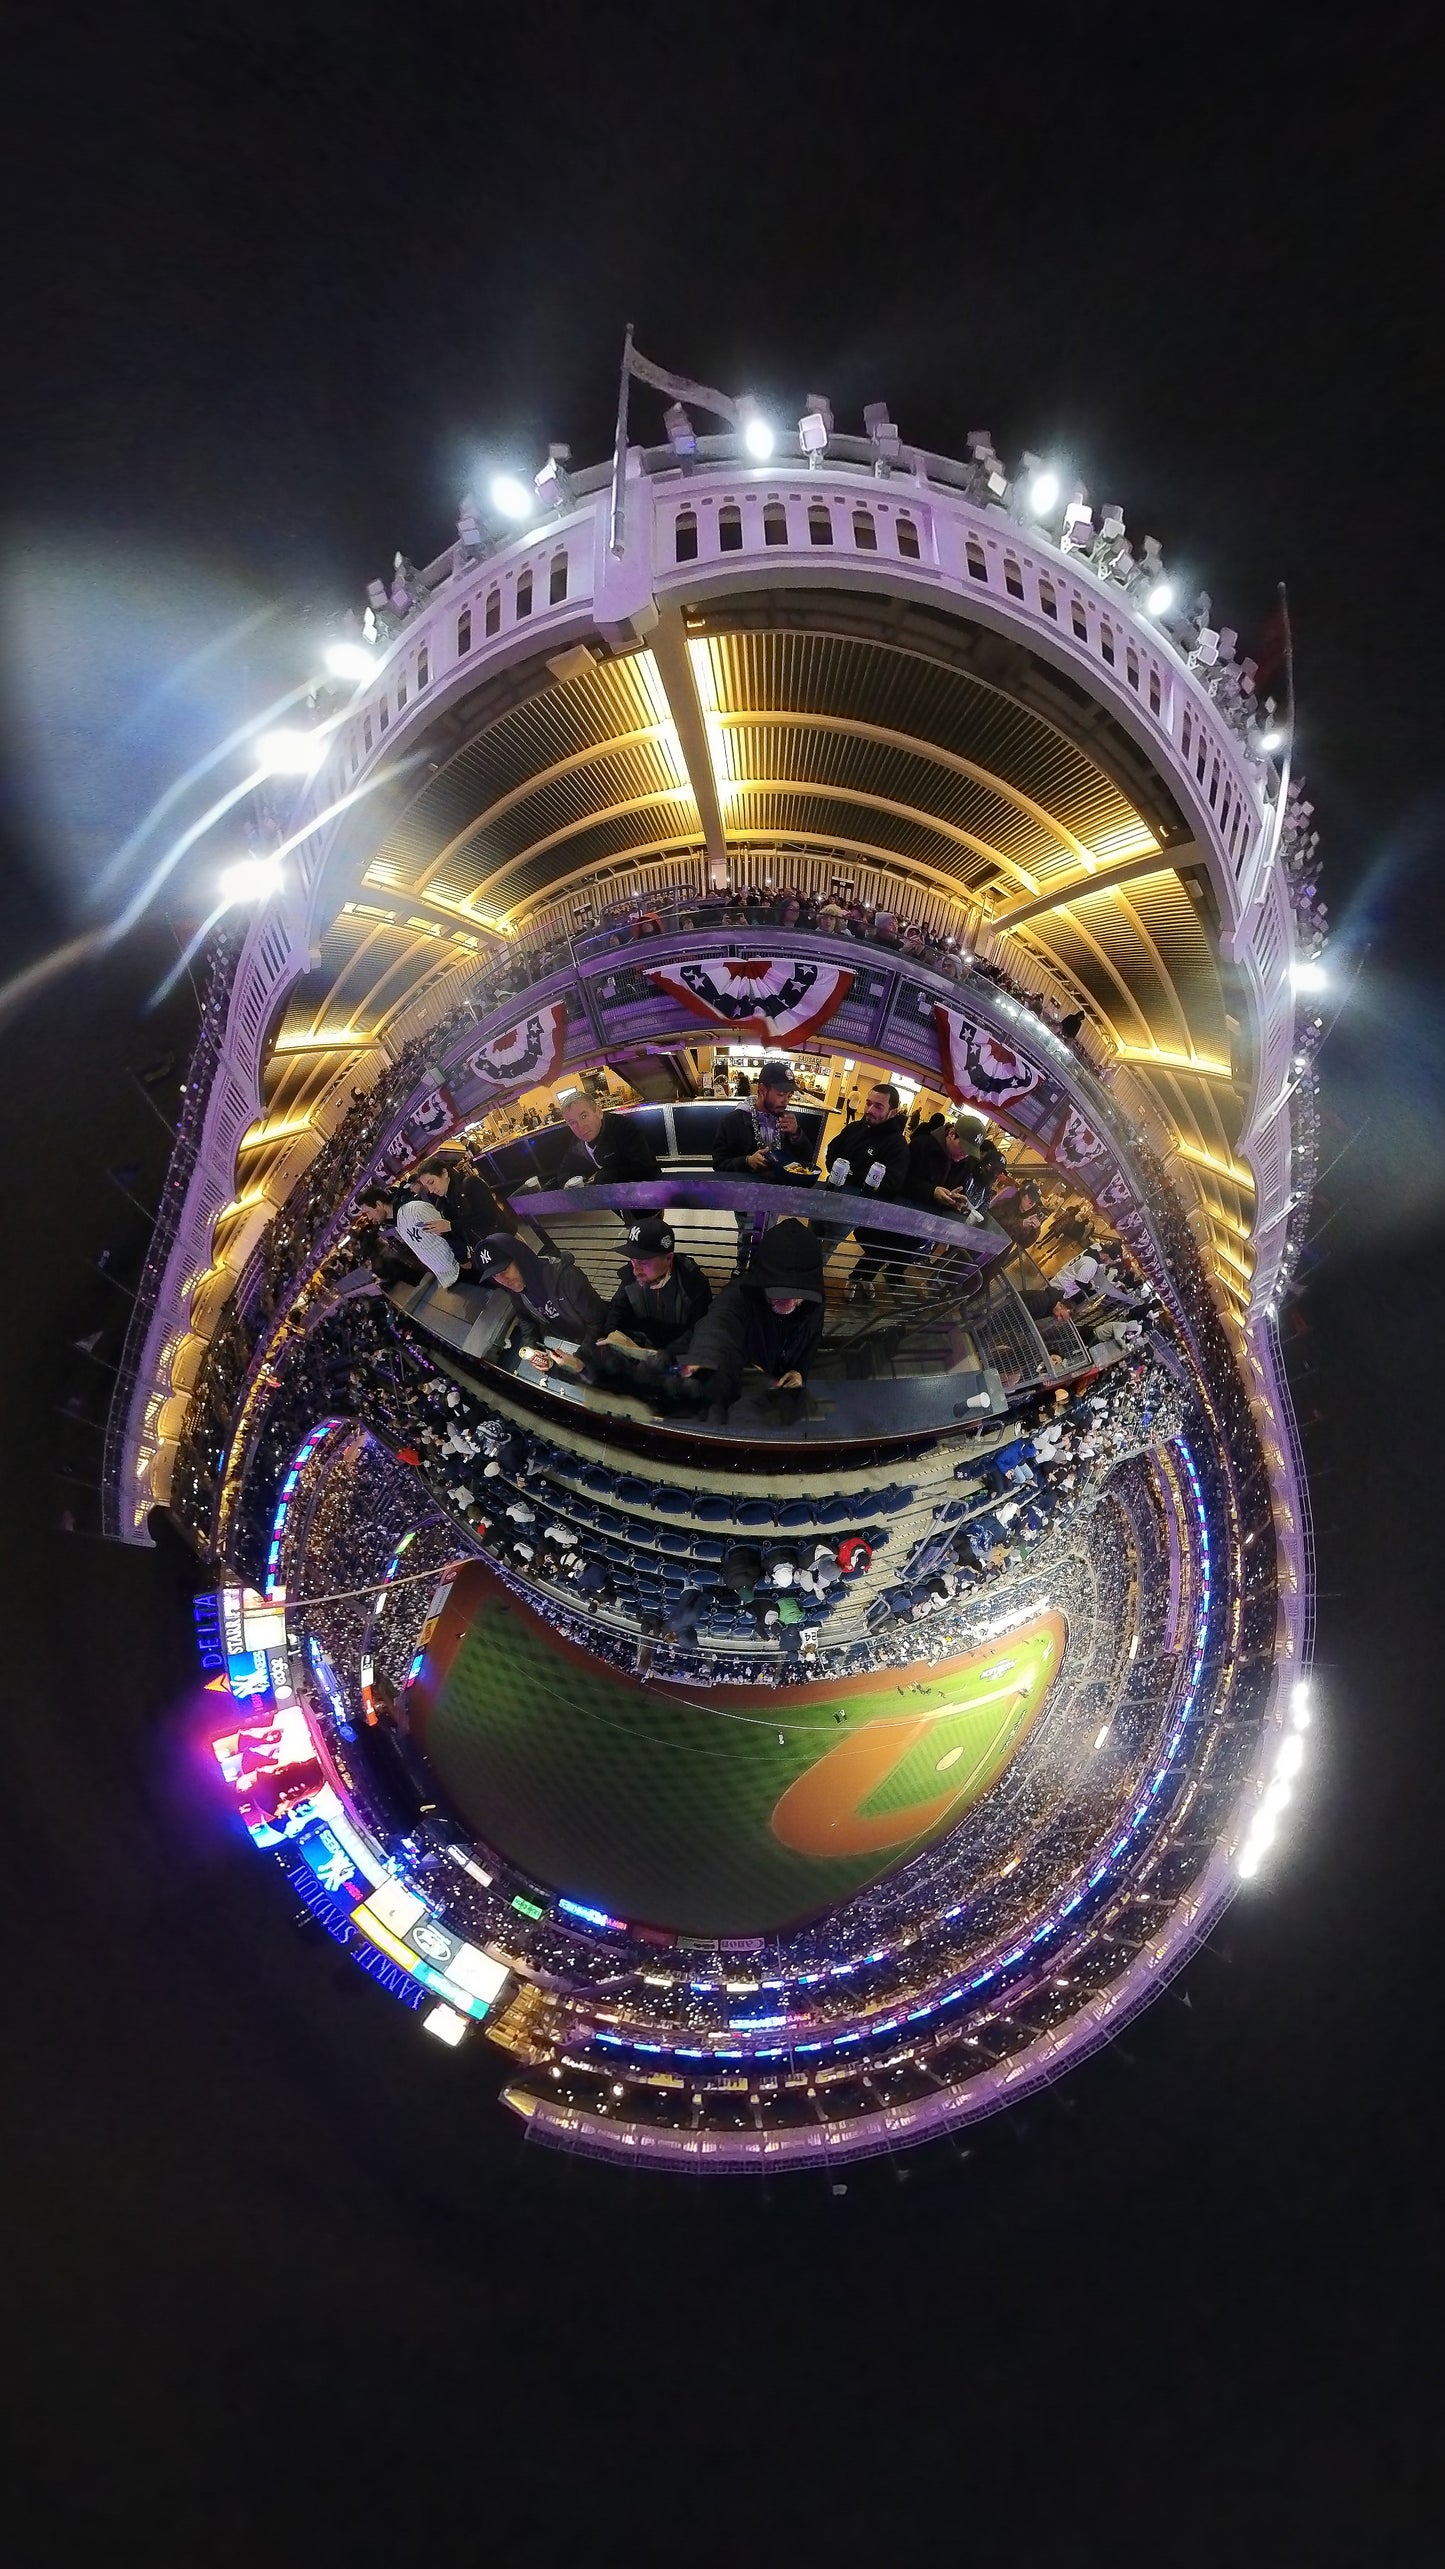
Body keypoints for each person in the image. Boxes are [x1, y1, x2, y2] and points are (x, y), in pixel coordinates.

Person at [674, 1216, 825, 1423]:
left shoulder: (813, 1302)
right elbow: (716, 1330)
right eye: (779, 1291)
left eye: (797, 1292)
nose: (788, 1302)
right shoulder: (739, 1297)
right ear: (763, 1280)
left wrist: (799, 1371)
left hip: (780, 1396)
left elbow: (814, 1337)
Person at [589, 1215, 713, 1391]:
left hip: (676, 1350)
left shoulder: (693, 1284)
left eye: (643, 1262)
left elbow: (700, 1328)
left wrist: (668, 1354)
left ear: (668, 1259)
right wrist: (611, 1334)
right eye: (632, 1259)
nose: (635, 1269)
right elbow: (618, 1306)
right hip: (643, 1345)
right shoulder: (631, 1277)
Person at [712, 1058, 810, 1267]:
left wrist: (797, 1134)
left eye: (789, 1095)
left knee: (768, 1234)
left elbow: (805, 1160)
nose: (786, 1100)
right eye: (781, 1094)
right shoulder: (733, 1122)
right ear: (762, 1089)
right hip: (743, 1197)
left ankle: (758, 1269)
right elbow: (719, 1163)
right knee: (744, 1234)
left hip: (775, 1195)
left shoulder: (787, 1121)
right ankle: (740, 1267)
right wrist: (746, 1161)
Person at [820, 1082, 910, 1296]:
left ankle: (806, 1280)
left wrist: (851, 1176)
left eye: (878, 1106)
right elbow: (833, 1149)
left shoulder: (897, 1146)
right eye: (868, 1103)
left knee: (826, 1247)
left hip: (852, 1210)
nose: (869, 1110)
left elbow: (891, 1184)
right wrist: (838, 1170)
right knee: (813, 1235)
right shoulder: (855, 1127)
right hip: (827, 1196)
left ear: (893, 1111)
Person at [471, 1232, 607, 1374]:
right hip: (566, 1339)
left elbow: (599, 1321)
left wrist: (580, 1357)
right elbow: (525, 1317)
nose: (503, 1280)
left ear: (521, 1259)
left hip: (597, 1340)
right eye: (495, 1275)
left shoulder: (567, 1278)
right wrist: (533, 1348)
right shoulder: (516, 1288)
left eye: (504, 1270)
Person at [407, 1152, 517, 1271]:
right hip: (484, 1249)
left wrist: (450, 1226)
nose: (431, 1190)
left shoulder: (471, 1183)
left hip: (505, 1241)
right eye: (426, 1186)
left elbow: (488, 1217)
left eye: (431, 1182)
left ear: (444, 1173)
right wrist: (443, 1231)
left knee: (526, 1276)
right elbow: (460, 1230)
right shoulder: (443, 1202)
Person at [557, 1091, 661, 1187]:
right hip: (611, 1198)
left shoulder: (622, 1127)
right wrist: (567, 1183)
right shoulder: (577, 1143)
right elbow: (564, 1170)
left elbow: (644, 1169)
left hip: (647, 1191)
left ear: (598, 1112)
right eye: (572, 1122)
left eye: (584, 1116)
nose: (580, 1127)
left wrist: (601, 1177)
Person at [393, 1177, 462, 1287]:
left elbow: (446, 1228)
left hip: (455, 1242)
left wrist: (461, 1255)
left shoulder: (425, 1199)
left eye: (412, 1187)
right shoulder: (420, 1197)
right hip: (448, 1257)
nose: (411, 1190)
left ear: (418, 1183)